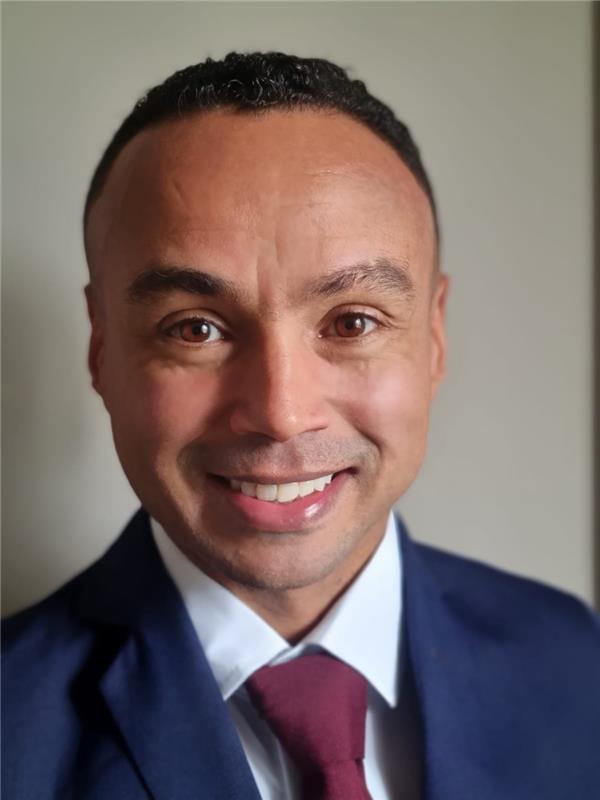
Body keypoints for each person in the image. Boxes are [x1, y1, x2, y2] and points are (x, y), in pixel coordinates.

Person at [2, 51, 599, 800]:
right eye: (195, 329)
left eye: (353, 322)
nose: (282, 414)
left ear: (435, 337)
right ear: (101, 348)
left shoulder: (577, 662)